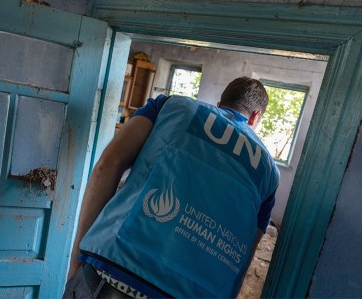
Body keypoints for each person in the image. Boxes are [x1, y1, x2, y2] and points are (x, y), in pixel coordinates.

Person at [63, 76, 280, 298]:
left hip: (110, 273)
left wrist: (76, 258)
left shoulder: (170, 106)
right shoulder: (269, 172)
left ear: (220, 103)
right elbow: (244, 256)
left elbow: (107, 165)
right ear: (255, 116)